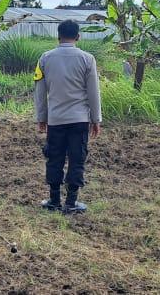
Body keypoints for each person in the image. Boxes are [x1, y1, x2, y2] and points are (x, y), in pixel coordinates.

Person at [33, 20, 102, 214]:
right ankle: (71, 202)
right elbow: (93, 92)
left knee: (54, 158)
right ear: (78, 37)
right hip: (79, 120)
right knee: (77, 158)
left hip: (55, 120)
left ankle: (54, 200)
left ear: (58, 36)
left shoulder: (45, 59)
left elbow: (40, 91)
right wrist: (96, 119)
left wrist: (41, 118)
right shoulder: (88, 59)